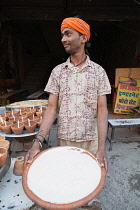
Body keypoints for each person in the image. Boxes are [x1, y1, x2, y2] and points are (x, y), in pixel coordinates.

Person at [25, 17, 111, 172]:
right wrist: (36, 143)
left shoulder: (98, 72)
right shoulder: (58, 72)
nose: (63, 39)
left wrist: (101, 147)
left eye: (68, 34)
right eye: (63, 35)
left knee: (88, 180)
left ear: (83, 38)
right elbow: (51, 109)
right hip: (64, 140)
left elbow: (102, 110)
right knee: (67, 178)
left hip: (91, 140)